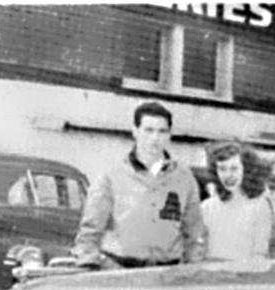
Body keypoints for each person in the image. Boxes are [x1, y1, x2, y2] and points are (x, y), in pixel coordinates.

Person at [73, 101, 206, 269]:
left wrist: (194, 271)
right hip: (120, 270)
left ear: (169, 135)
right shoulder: (111, 174)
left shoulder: (184, 178)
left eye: (162, 131)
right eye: (148, 130)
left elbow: (195, 234)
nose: (155, 138)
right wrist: (89, 264)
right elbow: (90, 230)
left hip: (167, 273)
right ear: (135, 131)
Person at [201, 141, 274, 260]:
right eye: (222, 169)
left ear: (247, 170)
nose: (228, 175)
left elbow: (260, 254)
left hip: (243, 275)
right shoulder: (207, 207)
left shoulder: (259, 206)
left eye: (234, 169)